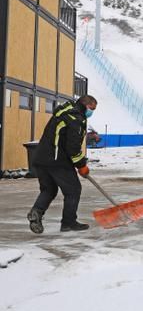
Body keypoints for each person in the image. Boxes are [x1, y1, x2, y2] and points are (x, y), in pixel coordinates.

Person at [27, 95, 98, 234]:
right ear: (85, 105)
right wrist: (81, 165)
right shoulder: (75, 119)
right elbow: (73, 147)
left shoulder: (66, 111)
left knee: (49, 190)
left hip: (41, 158)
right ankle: (68, 223)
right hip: (57, 160)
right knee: (73, 190)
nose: (92, 112)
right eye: (92, 109)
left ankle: (36, 212)